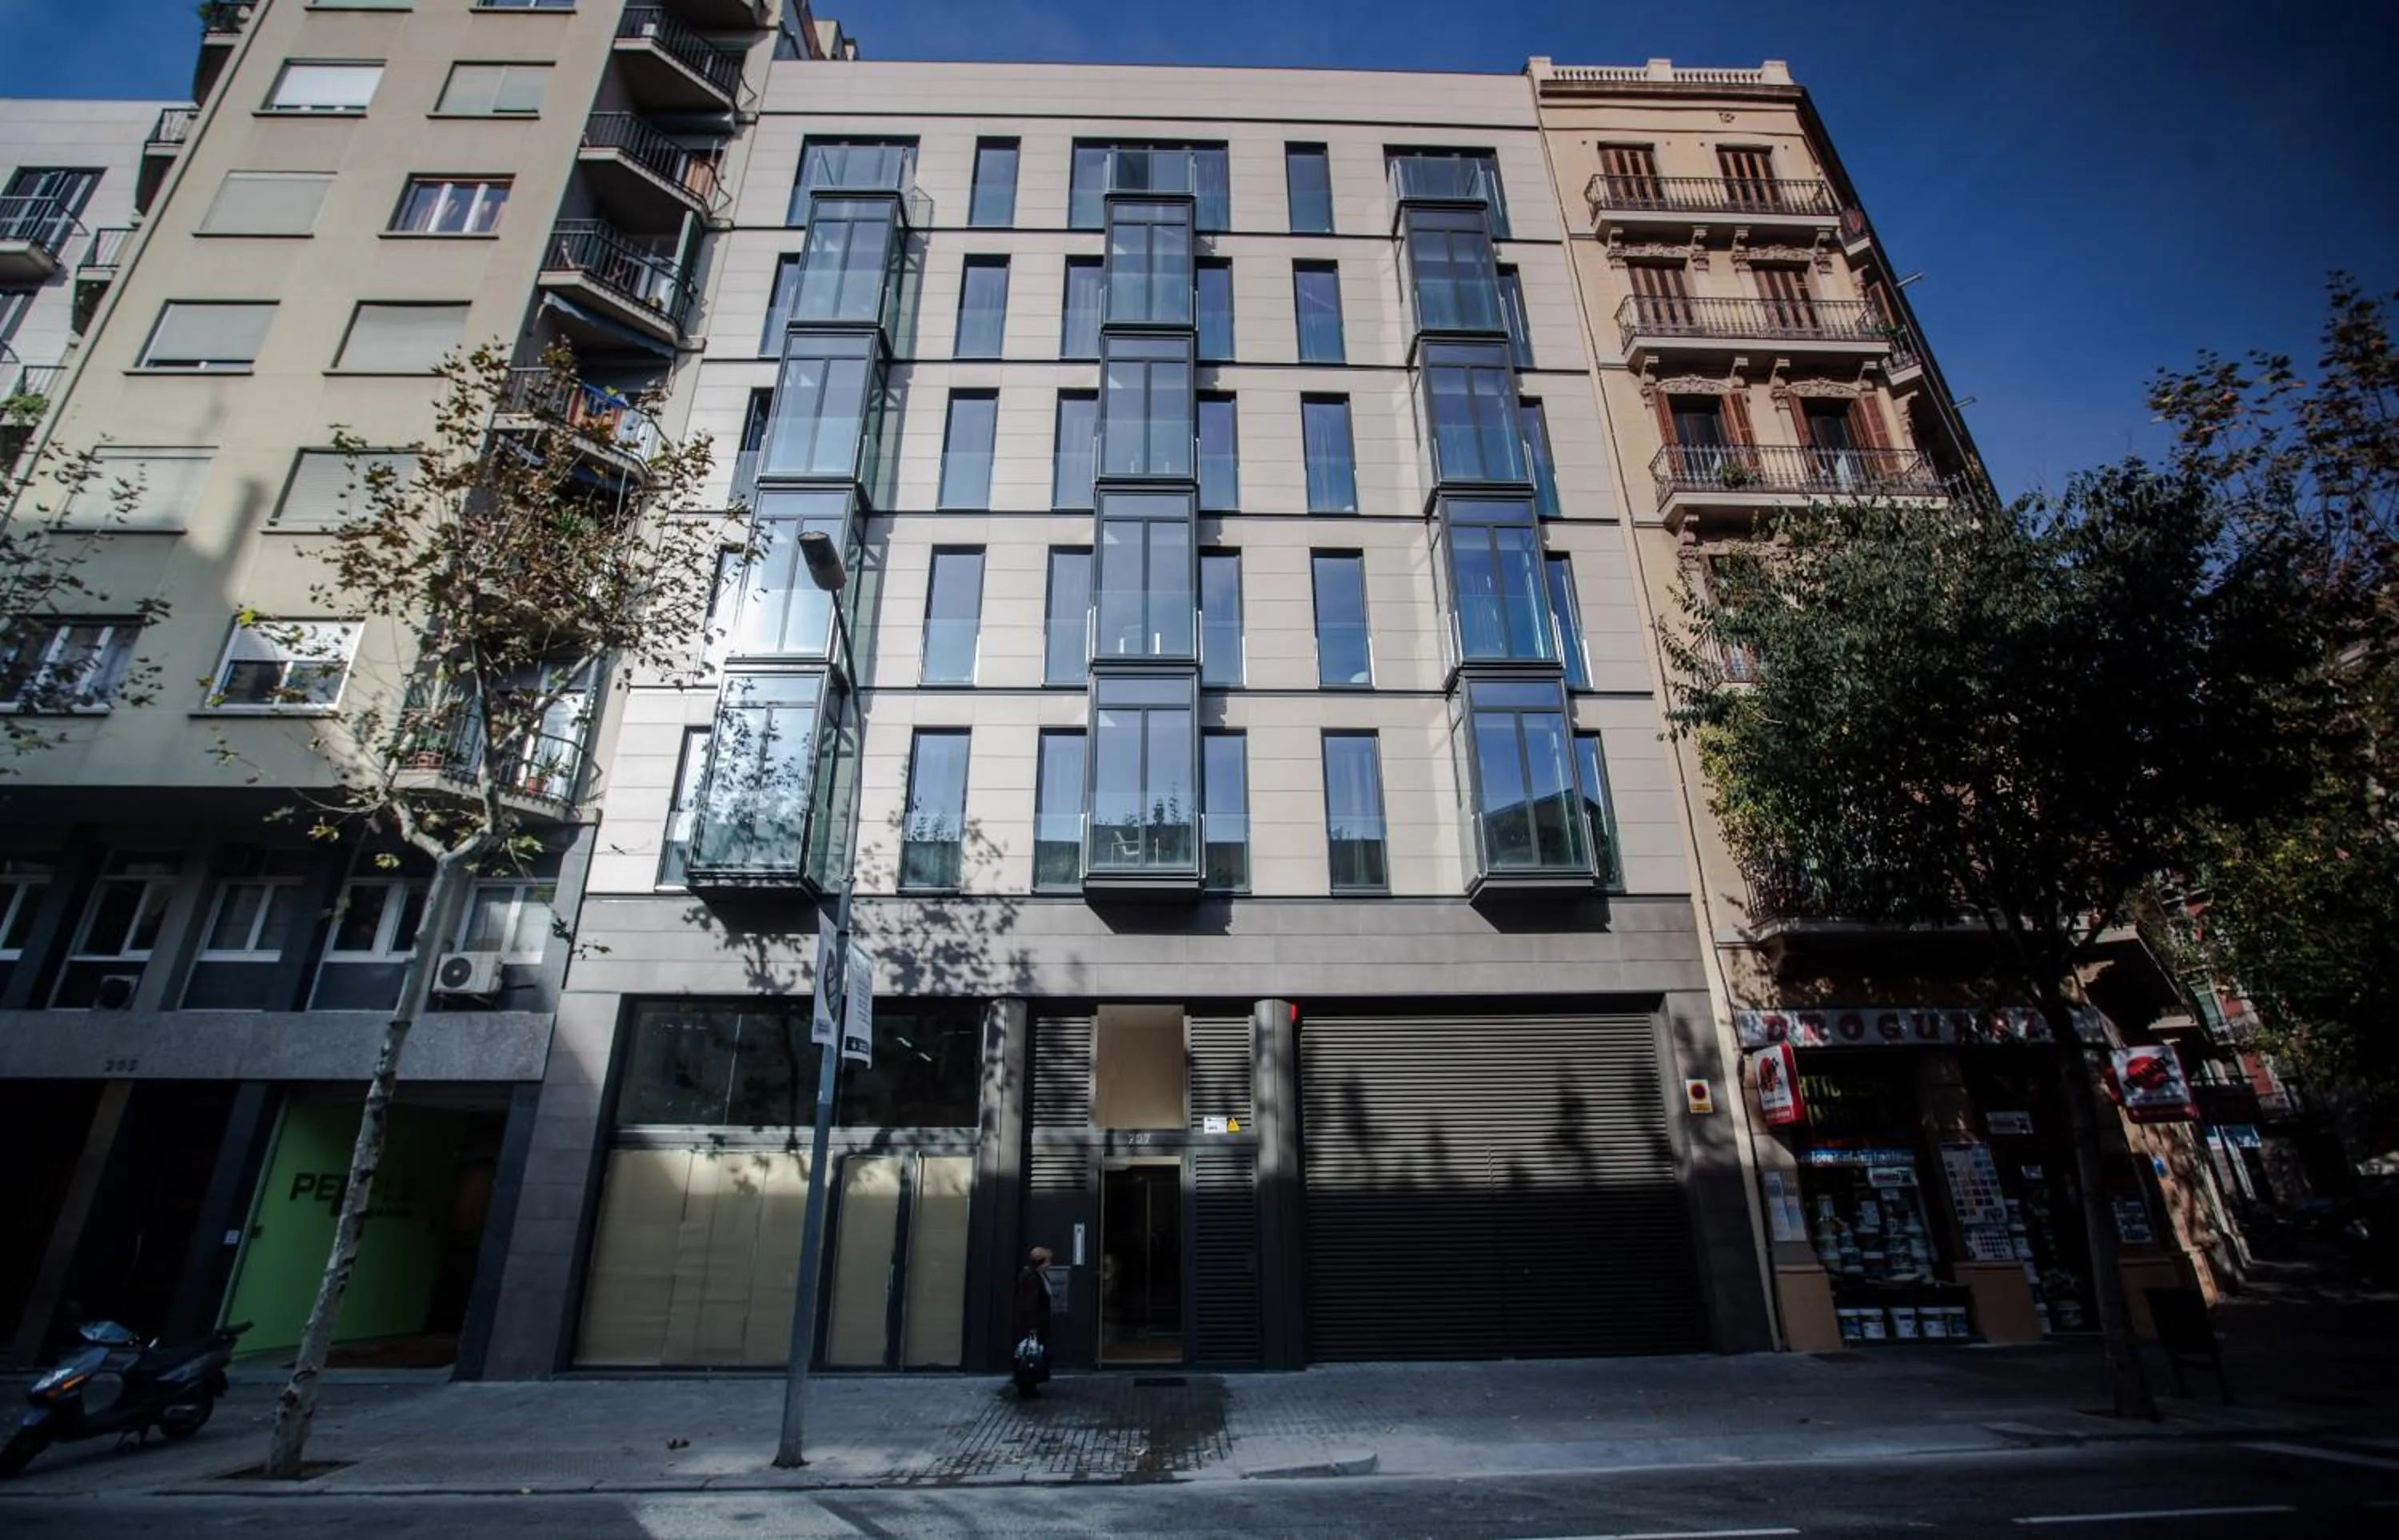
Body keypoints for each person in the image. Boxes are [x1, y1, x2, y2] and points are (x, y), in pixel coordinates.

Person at [1011, 1246, 1054, 1398]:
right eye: (1048, 1261)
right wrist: (1032, 1326)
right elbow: (1030, 1304)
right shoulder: (1032, 1278)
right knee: (1030, 1355)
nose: (1050, 1264)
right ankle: (1026, 1387)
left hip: (1036, 1323)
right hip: (1032, 1324)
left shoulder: (1038, 1275)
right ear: (1041, 1262)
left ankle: (1030, 1385)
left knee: (1033, 1354)